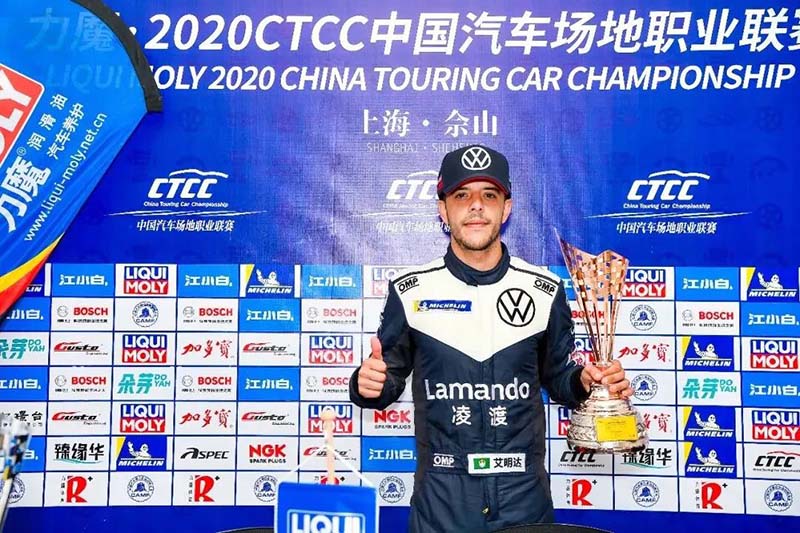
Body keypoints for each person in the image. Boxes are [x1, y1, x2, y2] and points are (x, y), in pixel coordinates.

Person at [349, 144, 634, 533]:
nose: (476, 207)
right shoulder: (411, 290)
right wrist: (367, 384)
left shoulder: (544, 289)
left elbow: (559, 378)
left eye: (489, 195)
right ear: (442, 209)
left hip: (523, 497)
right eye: (461, 196)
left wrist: (586, 382)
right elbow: (386, 380)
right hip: (442, 499)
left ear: (507, 208)